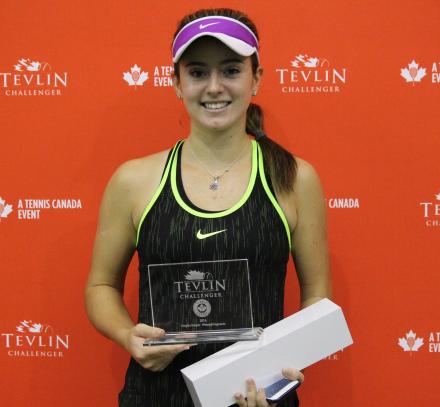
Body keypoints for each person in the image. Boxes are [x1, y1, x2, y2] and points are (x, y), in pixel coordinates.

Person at [85, 8, 331, 407]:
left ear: (257, 79)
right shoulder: (133, 180)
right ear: (177, 84)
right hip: (156, 395)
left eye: (231, 70)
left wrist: (283, 367)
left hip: (260, 398)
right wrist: (127, 335)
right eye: (198, 72)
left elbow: (317, 297)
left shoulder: (295, 178)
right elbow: (100, 287)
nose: (214, 87)